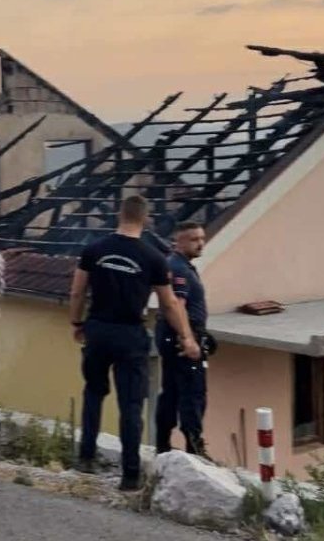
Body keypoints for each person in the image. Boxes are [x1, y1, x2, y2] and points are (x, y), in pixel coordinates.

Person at [67, 195, 200, 490]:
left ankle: (85, 458)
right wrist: (186, 337)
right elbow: (169, 304)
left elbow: (77, 292)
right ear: (146, 219)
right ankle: (130, 476)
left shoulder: (94, 250)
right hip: (130, 335)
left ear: (119, 215)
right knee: (130, 405)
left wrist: (77, 323)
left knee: (93, 392)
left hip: (98, 330)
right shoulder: (153, 257)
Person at [155, 222, 216, 459]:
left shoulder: (181, 266)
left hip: (176, 334)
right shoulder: (178, 269)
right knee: (192, 393)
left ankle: (163, 444)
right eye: (193, 239)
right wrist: (188, 338)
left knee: (171, 391)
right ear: (177, 242)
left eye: (202, 238)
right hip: (181, 336)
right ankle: (195, 449)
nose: (200, 243)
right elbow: (177, 305)